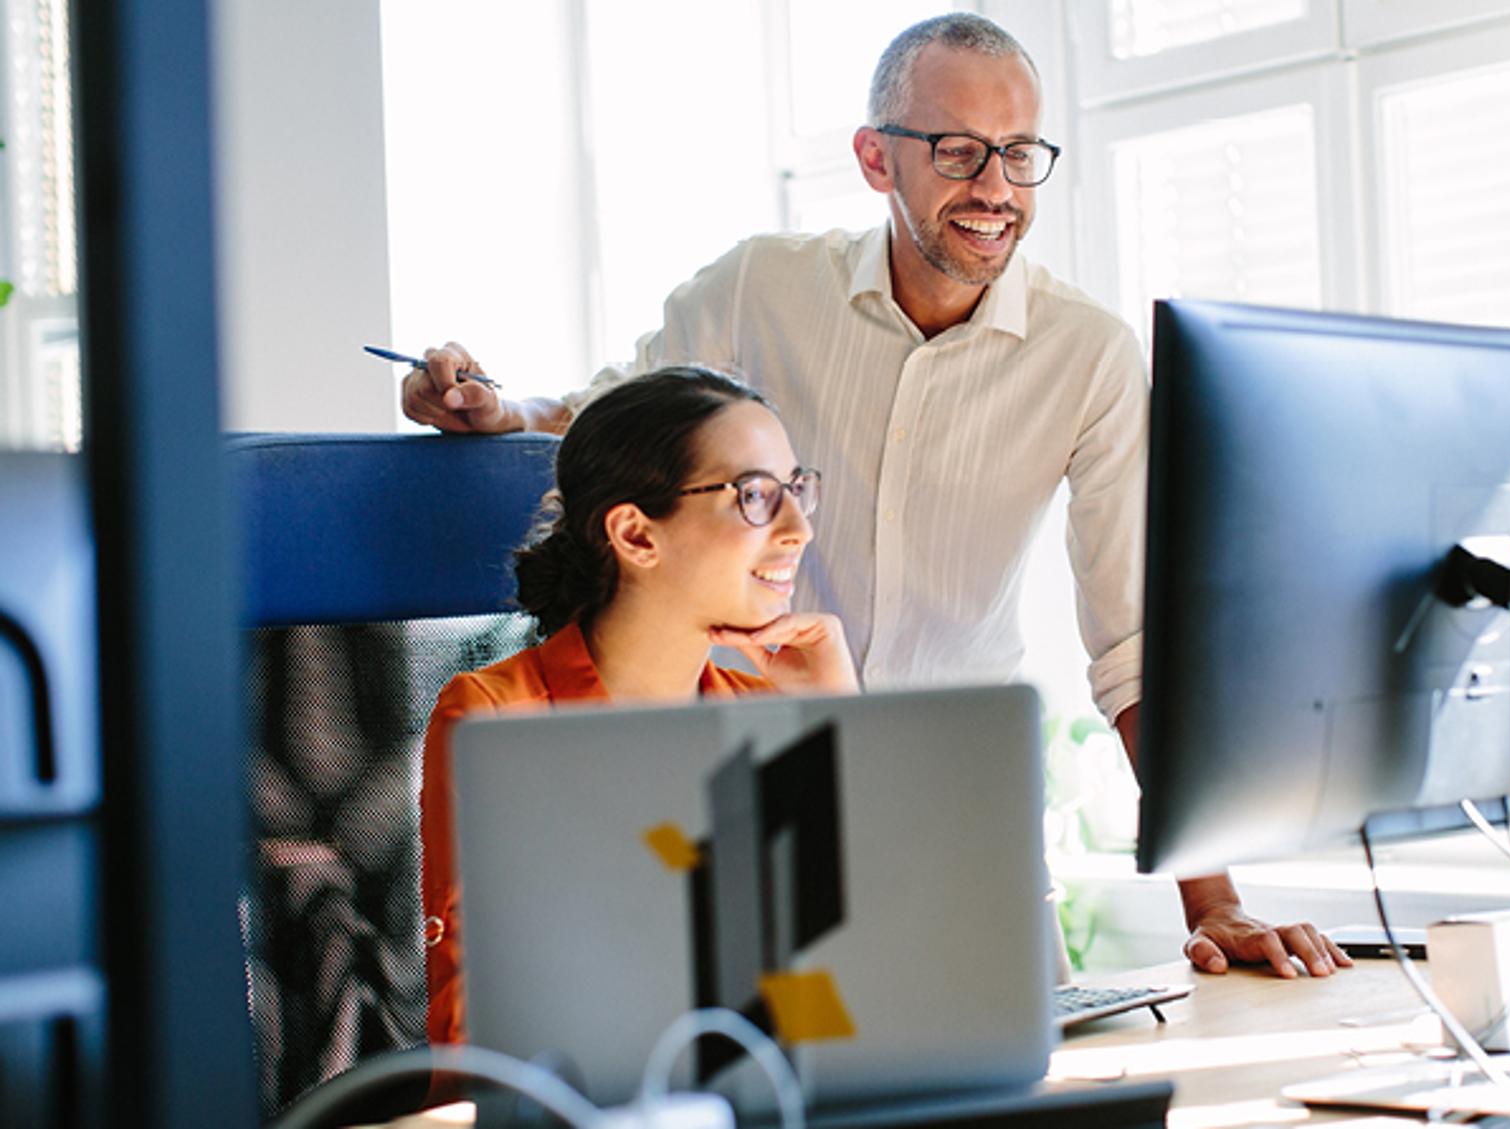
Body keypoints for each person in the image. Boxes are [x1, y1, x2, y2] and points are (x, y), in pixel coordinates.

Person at [402, 14, 1349, 983]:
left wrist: (1214, 900)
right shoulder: (758, 288)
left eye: (1020, 155)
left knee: (1012, 1070)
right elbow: (622, 415)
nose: (996, 189)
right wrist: (499, 408)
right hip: (747, 802)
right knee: (797, 1041)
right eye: (959, 151)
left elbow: (1135, 647)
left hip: (952, 822)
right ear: (874, 159)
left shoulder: (1089, 355)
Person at [418, 366, 858, 1044]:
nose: (799, 527)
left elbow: (839, 988)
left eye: (798, 490)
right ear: (636, 535)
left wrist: (836, 721)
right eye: (756, 496)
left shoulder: (762, 709)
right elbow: (483, 1035)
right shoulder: (499, 719)